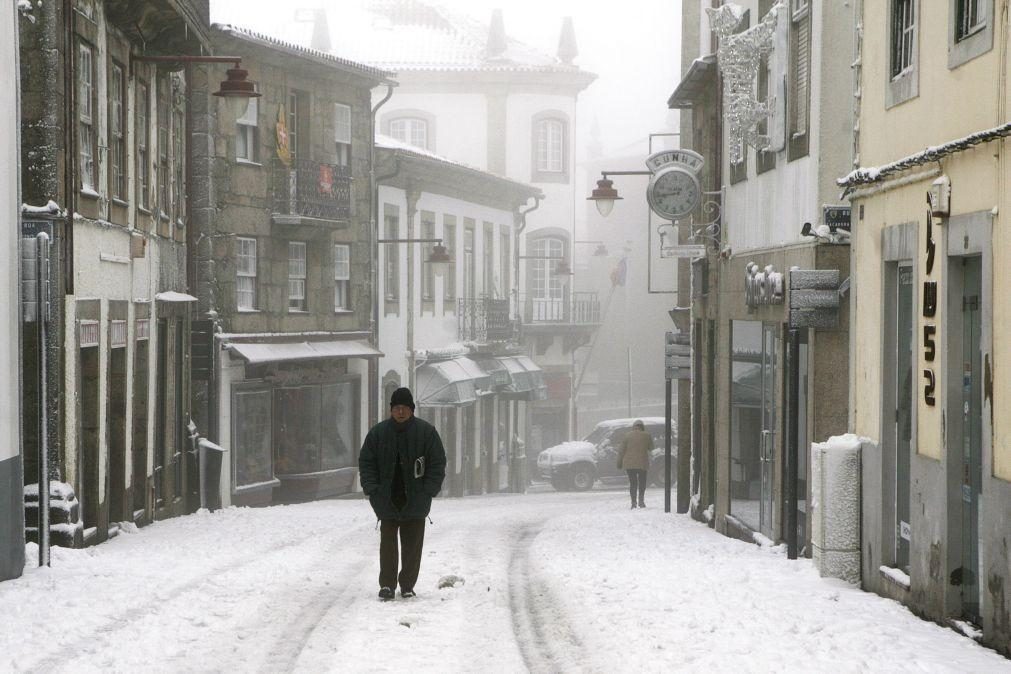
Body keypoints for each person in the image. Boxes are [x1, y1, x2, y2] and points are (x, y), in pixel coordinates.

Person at [359, 387, 447, 601]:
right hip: (386, 500)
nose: (400, 412)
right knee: (387, 546)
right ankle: (387, 585)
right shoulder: (378, 434)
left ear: (411, 410)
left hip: (416, 500)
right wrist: (372, 490)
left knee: (412, 546)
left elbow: (437, 463)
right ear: (391, 410)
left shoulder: (426, 433)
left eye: (404, 408)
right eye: (397, 408)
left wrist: (428, 491)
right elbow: (367, 463)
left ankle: (407, 584)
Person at [617, 419, 653, 509]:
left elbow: (621, 450)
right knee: (642, 482)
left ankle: (633, 502)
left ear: (634, 427)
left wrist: (619, 462)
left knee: (633, 483)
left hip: (629, 464)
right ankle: (641, 501)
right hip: (642, 463)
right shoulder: (647, 435)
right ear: (642, 427)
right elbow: (651, 448)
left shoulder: (627, 436)